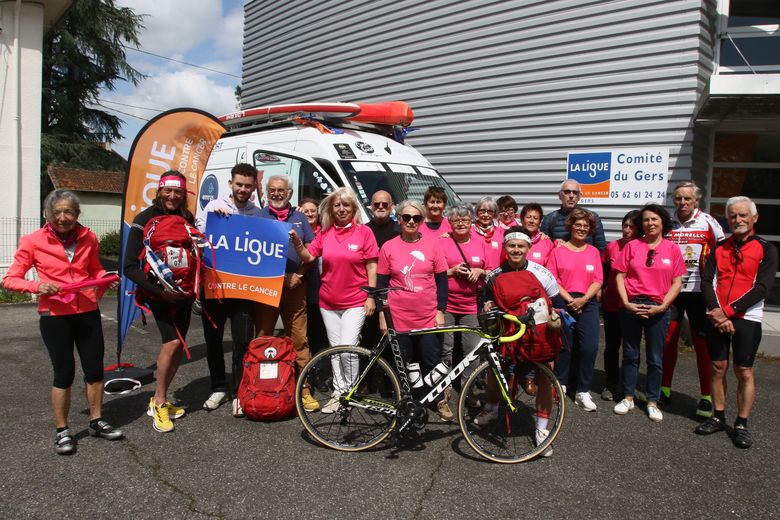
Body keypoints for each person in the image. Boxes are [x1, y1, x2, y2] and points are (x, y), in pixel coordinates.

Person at [2, 189, 123, 454]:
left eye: (68, 211)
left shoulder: (88, 237)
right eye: (56, 212)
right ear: (47, 214)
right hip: (54, 316)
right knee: (64, 373)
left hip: (87, 313)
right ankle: (62, 430)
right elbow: (9, 278)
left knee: (94, 371)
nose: (63, 217)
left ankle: (96, 420)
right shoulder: (32, 240)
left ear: (77, 214)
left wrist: (105, 279)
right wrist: (38, 285)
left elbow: (94, 269)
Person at [697, 196, 777, 449]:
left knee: (744, 371)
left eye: (743, 215)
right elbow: (707, 280)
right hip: (717, 314)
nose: (738, 220)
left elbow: (762, 288)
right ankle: (718, 416)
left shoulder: (767, 249)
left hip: (747, 317)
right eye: (733, 216)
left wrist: (728, 313)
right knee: (718, 367)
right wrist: (716, 311)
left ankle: (741, 423)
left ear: (754, 218)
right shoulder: (720, 247)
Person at [480, 225, 566, 456]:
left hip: (536, 335)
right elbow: (485, 302)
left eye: (520, 246)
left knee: (545, 374)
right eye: (511, 245)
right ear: (505, 247)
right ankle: (491, 408)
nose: (516, 250)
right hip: (507, 333)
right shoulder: (494, 275)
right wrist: (487, 308)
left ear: (528, 248)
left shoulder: (542, 273)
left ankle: (541, 428)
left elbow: (559, 304)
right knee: (494, 371)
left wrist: (555, 315)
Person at [292, 188, 379, 413]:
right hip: (328, 302)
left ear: (354, 209)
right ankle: (339, 392)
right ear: (331, 209)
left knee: (348, 348)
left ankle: (348, 392)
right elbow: (309, 257)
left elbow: (371, 265)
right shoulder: (325, 233)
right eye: (337, 205)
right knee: (334, 349)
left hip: (355, 300)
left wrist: (371, 296)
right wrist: (297, 244)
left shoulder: (364, 233)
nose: (341, 209)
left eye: (346, 205)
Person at [123, 171, 194, 433]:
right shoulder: (144, 219)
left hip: (184, 294)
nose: (173, 196)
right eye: (168, 191)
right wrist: (159, 291)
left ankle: (160, 398)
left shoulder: (187, 218)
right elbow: (130, 265)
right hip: (159, 294)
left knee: (178, 348)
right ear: (160, 191)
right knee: (172, 342)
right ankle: (160, 401)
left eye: (178, 192)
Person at [195, 163, 263, 415]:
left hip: (244, 289)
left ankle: (238, 391)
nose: (243, 189)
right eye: (239, 184)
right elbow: (198, 238)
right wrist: (215, 223)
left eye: (248, 185)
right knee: (213, 340)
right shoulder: (213, 207)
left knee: (243, 341)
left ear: (254, 186)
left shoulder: (258, 213)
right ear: (231, 184)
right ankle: (218, 387)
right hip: (215, 287)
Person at [376, 199, 450, 420]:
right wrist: (382, 313)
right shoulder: (389, 247)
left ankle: (440, 400)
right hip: (399, 316)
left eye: (416, 218)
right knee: (404, 361)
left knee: (432, 360)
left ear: (422, 220)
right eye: (406, 217)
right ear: (398, 219)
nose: (410, 221)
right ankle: (405, 400)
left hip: (427, 315)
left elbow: (442, 281)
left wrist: (440, 310)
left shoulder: (433, 245)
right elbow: (381, 284)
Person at [613, 204, 685, 422]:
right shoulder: (632, 246)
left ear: (663, 221)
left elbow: (677, 282)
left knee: (655, 358)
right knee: (630, 354)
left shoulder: (672, 249)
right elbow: (619, 276)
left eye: (654, 219)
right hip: (633, 305)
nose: (650, 223)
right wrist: (626, 303)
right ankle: (627, 397)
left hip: (659, 307)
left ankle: (652, 400)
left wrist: (663, 306)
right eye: (645, 220)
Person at [254, 173, 318, 411]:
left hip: (295, 288)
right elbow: (251, 256)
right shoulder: (258, 217)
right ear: (266, 192)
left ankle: (304, 389)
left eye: (281, 190)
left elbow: (312, 251)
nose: (276, 194)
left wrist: (299, 274)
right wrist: (282, 278)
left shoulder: (300, 217)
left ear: (290, 193)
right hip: (267, 288)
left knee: (300, 340)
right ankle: (261, 387)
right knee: (264, 337)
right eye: (272, 190)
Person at [661, 182, 725, 418]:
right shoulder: (667, 222)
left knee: (702, 346)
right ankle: (664, 389)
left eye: (687, 199)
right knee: (668, 342)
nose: (683, 203)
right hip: (673, 291)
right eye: (678, 198)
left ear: (696, 200)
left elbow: (723, 252)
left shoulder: (709, 222)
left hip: (700, 292)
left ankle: (706, 397)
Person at [548, 209, 603, 411]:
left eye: (585, 226)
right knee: (564, 346)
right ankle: (561, 383)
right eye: (578, 225)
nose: (581, 229)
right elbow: (552, 278)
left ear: (590, 230)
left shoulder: (594, 252)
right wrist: (571, 300)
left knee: (589, 348)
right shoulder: (558, 251)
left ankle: (582, 390)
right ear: (570, 226)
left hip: (588, 304)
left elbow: (598, 279)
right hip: (565, 302)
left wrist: (585, 299)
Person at [439, 203, 489, 418]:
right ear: (450, 222)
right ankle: (443, 393)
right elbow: (433, 271)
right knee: (445, 350)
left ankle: (468, 391)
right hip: (447, 304)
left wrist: (480, 271)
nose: (461, 223)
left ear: (472, 222)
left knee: (471, 352)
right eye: (456, 219)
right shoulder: (441, 242)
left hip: (470, 305)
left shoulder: (480, 243)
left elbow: (490, 271)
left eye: (465, 220)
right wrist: (451, 271)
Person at [600, 210, 640, 400]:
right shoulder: (612, 247)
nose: (627, 230)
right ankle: (611, 381)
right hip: (612, 303)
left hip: (633, 304)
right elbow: (605, 272)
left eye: (631, 227)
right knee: (612, 345)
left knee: (631, 347)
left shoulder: (643, 247)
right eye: (625, 225)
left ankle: (627, 384)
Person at [541, 179, 607, 253]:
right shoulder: (549, 219)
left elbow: (601, 251)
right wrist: (555, 245)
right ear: (560, 195)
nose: (571, 196)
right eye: (567, 192)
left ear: (579, 196)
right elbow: (544, 250)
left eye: (575, 192)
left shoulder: (592, 218)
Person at [299, 198, 328, 361]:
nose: (309, 213)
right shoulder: (296, 230)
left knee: (319, 334)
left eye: (312, 210)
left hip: (319, 292)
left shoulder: (325, 232)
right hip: (301, 289)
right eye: (305, 211)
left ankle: (318, 370)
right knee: (303, 334)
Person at [471, 196, 504, 269]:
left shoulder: (502, 233)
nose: (486, 215)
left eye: (490, 211)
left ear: (494, 213)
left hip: (495, 277)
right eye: (482, 211)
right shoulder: (469, 231)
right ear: (477, 212)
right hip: (474, 277)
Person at [520, 203, 554, 267]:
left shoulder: (547, 243)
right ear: (522, 219)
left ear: (540, 222)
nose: (531, 221)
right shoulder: (515, 239)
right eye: (528, 217)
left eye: (535, 218)